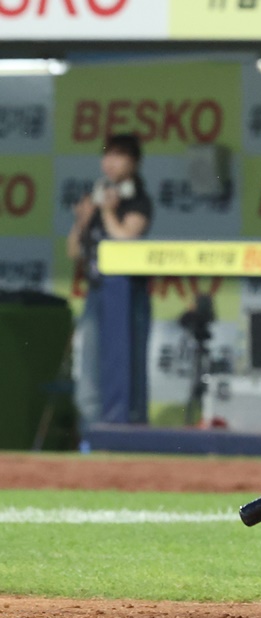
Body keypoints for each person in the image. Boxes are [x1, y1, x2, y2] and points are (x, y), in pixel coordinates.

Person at [67, 132, 153, 435]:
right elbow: (74, 251)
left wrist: (106, 212)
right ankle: (91, 438)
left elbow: (126, 240)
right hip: (98, 292)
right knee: (90, 370)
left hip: (128, 296)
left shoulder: (136, 199)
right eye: (107, 155)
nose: (111, 162)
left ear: (134, 162)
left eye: (119, 156)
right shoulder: (98, 197)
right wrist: (83, 219)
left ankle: (131, 438)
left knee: (129, 369)